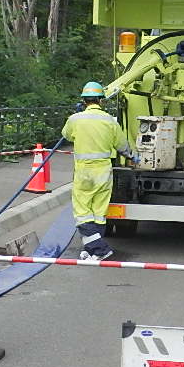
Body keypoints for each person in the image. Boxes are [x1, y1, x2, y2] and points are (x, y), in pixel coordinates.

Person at [62, 81, 138, 262]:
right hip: (104, 172)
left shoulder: (75, 119)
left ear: (83, 100)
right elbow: (121, 145)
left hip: (84, 172)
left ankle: (100, 249)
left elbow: (66, 135)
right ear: (101, 101)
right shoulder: (109, 121)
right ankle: (92, 250)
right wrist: (133, 157)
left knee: (82, 213)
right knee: (99, 213)